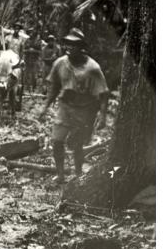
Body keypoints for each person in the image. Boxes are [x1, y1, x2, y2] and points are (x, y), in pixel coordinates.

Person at [35, 28, 109, 184]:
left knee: (77, 145)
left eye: (73, 45)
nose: (69, 48)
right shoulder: (60, 63)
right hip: (65, 107)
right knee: (56, 141)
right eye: (67, 44)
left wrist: (102, 116)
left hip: (84, 110)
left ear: (81, 47)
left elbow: (103, 93)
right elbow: (54, 88)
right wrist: (45, 107)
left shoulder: (92, 68)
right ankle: (61, 174)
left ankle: (78, 173)